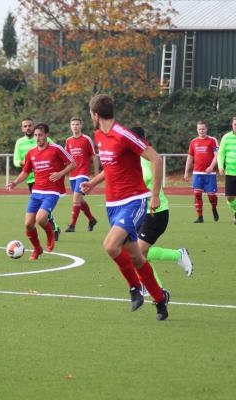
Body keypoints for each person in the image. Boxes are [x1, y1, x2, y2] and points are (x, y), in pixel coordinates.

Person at [81, 94, 170, 321]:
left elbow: (156, 159)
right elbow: (111, 167)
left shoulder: (124, 135)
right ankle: (160, 299)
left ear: (95, 114)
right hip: (112, 204)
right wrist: (93, 182)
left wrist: (155, 195)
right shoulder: (98, 135)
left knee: (110, 246)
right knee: (137, 258)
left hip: (134, 200)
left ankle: (134, 288)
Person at [130, 126, 193, 290]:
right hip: (139, 212)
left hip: (156, 212)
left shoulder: (149, 158)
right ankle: (150, 285)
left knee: (139, 251)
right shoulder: (131, 159)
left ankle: (176, 258)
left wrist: (154, 195)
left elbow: (148, 178)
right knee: (136, 253)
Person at [7, 123, 76, 260]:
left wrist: (60, 173)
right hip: (36, 191)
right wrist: (15, 182)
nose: (38, 138)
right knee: (28, 224)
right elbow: (26, 172)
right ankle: (37, 249)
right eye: (36, 135)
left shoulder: (56, 149)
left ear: (46, 135)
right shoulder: (31, 153)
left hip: (52, 191)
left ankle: (50, 234)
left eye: (41, 135)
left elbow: (73, 164)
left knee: (41, 218)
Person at [13, 118, 61, 241]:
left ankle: (53, 227)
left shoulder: (47, 141)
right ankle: (39, 245)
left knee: (43, 213)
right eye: (25, 126)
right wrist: (22, 162)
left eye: (30, 125)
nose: (28, 128)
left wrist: (59, 173)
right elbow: (16, 161)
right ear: (22, 128)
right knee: (32, 218)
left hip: (48, 181)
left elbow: (54, 153)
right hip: (31, 180)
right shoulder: (20, 143)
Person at [64, 117, 99, 232]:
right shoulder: (68, 141)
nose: (75, 126)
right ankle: (91, 219)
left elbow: (94, 156)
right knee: (80, 200)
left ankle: (72, 225)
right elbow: (66, 158)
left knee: (76, 198)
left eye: (77, 124)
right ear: (70, 126)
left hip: (83, 173)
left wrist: (96, 174)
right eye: (73, 124)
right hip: (73, 174)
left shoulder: (86, 139)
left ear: (81, 125)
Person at [184, 121, 219, 223]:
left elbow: (217, 155)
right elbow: (190, 157)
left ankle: (214, 208)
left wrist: (211, 166)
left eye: (203, 129)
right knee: (197, 194)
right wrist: (186, 172)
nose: (201, 131)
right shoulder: (193, 142)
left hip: (210, 174)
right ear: (197, 130)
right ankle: (200, 217)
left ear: (206, 129)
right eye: (199, 129)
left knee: (211, 196)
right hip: (197, 174)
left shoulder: (212, 140)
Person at [218, 115, 236, 223]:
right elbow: (221, 154)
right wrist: (220, 166)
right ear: (232, 125)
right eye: (235, 124)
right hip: (230, 172)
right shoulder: (226, 137)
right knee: (230, 197)